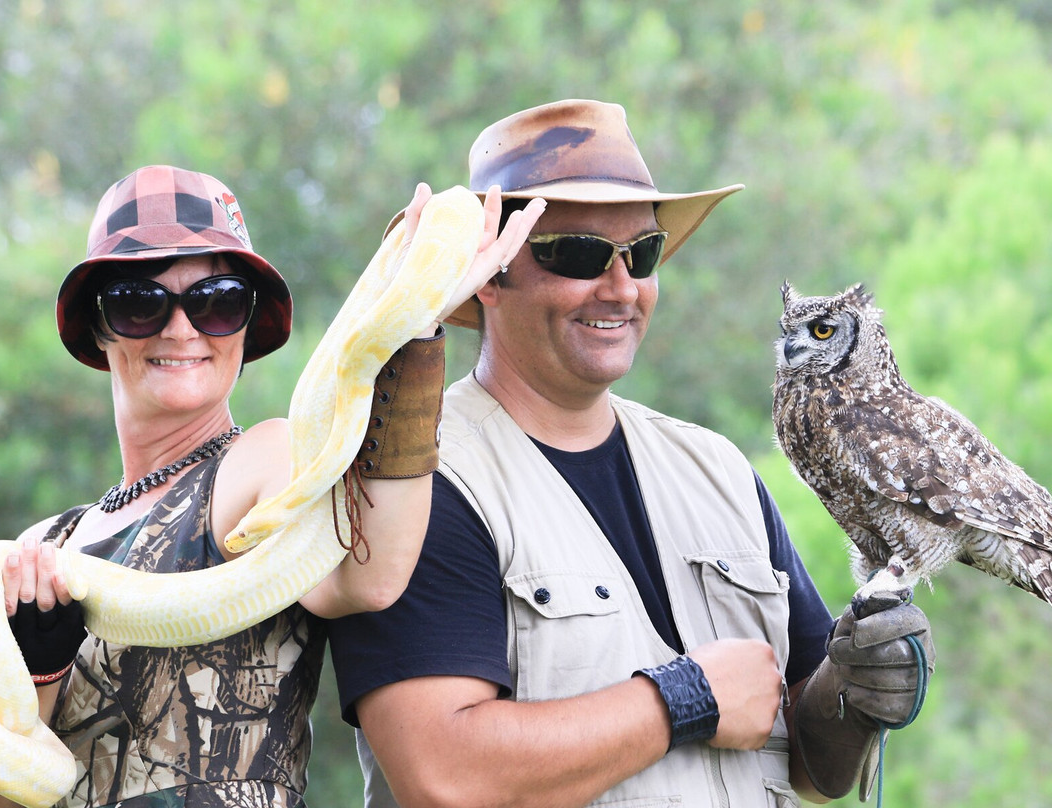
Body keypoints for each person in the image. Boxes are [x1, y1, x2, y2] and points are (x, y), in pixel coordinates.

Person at [327, 99, 936, 807]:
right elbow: (444, 774)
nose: (620, 288)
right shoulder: (419, 481)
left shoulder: (719, 471)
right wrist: (685, 699)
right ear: (490, 275)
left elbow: (810, 766)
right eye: (579, 253)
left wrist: (857, 687)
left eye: (642, 254)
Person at [0, 165, 544, 808]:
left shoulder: (264, 460)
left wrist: (409, 328)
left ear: (245, 327)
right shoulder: (39, 546)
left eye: (217, 300)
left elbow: (370, 575)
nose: (181, 329)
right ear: (100, 329)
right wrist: (40, 669)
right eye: (138, 303)